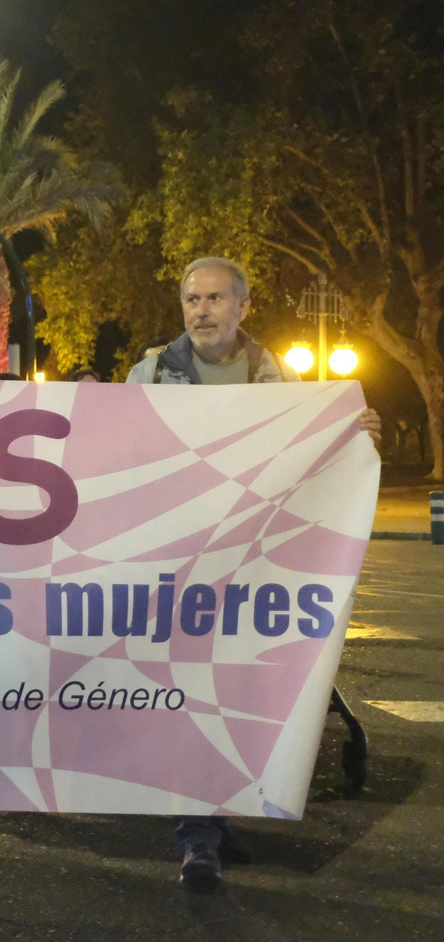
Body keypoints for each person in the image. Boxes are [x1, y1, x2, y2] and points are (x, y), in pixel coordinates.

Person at [126, 256, 380, 891]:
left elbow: (312, 460)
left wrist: (357, 431)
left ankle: (215, 819)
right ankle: (197, 837)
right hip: (181, 565)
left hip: (254, 568)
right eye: (191, 299)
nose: (201, 310)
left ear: (243, 305)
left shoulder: (285, 381)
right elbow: (118, 454)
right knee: (190, 692)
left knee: (235, 694)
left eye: (214, 298)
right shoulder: (151, 373)